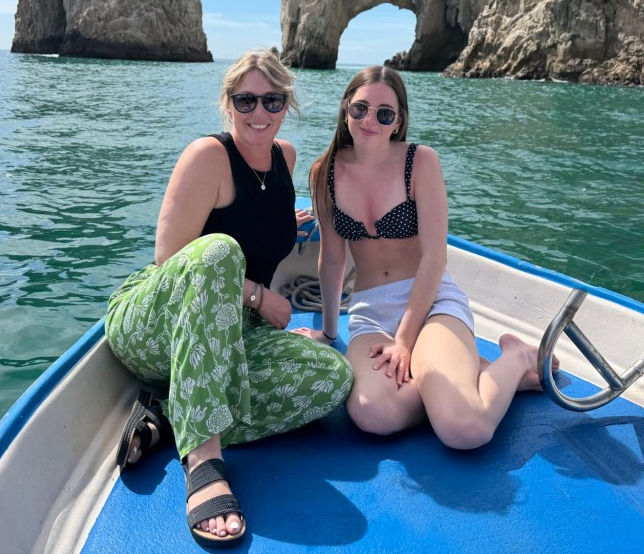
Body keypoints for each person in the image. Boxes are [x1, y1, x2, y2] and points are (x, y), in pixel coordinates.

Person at [105, 50, 353, 548]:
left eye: (271, 100)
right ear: (228, 104)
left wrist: (289, 224)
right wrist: (261, 297)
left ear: (287, 104)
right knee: (219, 251)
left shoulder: (284, 159)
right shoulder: (208, 156)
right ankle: (204, 459)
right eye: (245, 100)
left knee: (333, 378)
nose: (258, 112)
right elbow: (170, 257)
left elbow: (260, 211)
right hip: (156, 323)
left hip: (230, 335)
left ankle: (172, 411)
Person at [305, 65, 552, 451]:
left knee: (464, 429)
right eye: (360, 109)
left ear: (398, 121)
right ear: (345, 110)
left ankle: (516, 357)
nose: (370, 120)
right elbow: (333, 260)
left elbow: (435, 258)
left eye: (384, 113)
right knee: (372, 414)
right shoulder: (324, 173)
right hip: (371, 312)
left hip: (431, 301)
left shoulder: (419, 162)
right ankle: (461, 377)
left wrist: (405, 341)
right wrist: (329, 333)